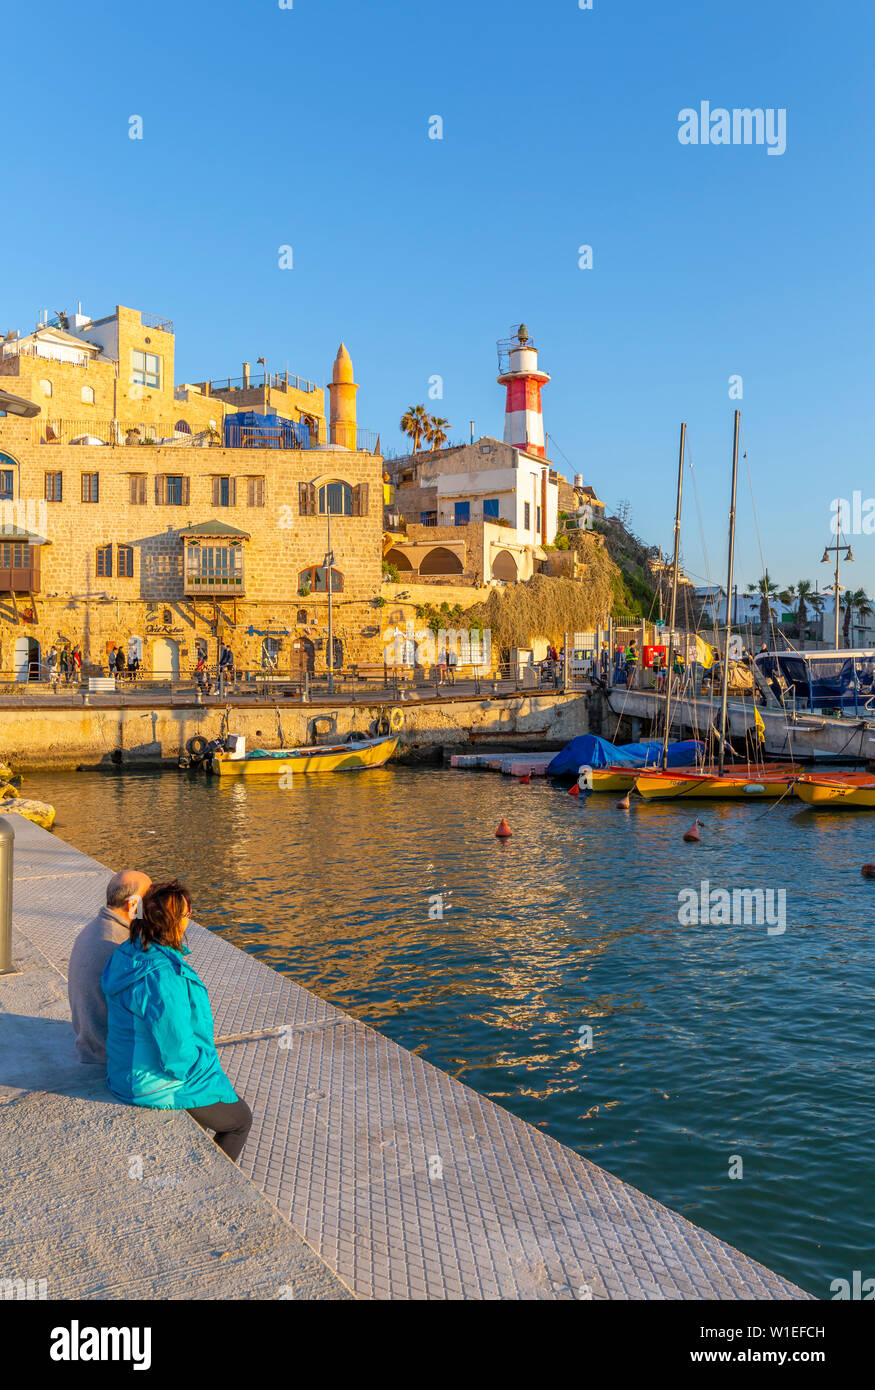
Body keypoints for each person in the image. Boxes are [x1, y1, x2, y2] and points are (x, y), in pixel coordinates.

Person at [102, 880, 253, 1163]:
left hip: (123, 1072)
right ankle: (211, 1184)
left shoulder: (128, 952)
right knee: (239, 1119)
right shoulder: (163, 977)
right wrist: (208, 1076)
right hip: (149, 1085)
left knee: (213, 1097)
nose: (190, 917)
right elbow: (177, 1054)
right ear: (171, 922)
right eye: (186, 913)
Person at [68, 870, 152, 1065]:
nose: (153, 904)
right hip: (107, 1052)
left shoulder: (95, 928)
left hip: (88, 1040)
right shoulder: (120, 946)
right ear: (133, 905)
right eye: (149, 898)